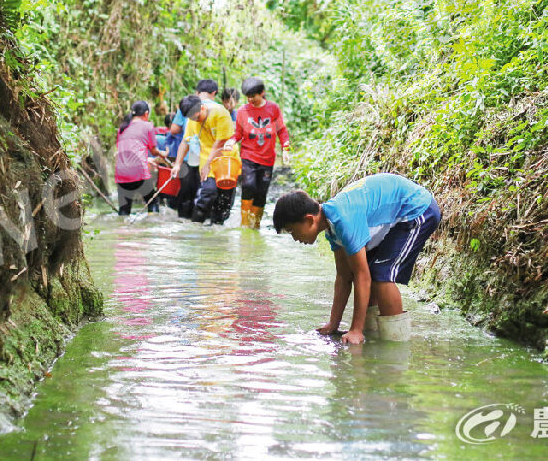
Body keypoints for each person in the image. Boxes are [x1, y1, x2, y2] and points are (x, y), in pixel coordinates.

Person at [271, 174, 441, 343]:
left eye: (292, 231)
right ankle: (374, 339)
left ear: (309, 220)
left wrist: (355, 329)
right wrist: (333, 324)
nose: (295, 238)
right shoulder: (332, 227)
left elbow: (362, 276)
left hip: (417, 209)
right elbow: (344, 277)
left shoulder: (344, 220)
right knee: (371, 270)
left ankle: (395, 346)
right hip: (394, 217)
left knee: (381, 276)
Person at [171, 93, 241, 225]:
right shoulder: (192, 119)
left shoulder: (220, 114)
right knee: (207, 194)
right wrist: (177, 164)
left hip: (227, 161)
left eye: (197, 117)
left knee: (224, 202)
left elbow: (220, 142)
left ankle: (217, 231)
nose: (195, 120)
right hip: (207, 162)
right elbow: (186, 142)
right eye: (192, 118)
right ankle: (196, 227)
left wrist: (208, 164)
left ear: (202, 108)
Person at [233, 77, 290, 229]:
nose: (250, 99)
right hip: (248, 156)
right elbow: (238, 133)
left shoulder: (273, 109)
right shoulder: (242, 111)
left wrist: (285, 148)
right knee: (248, 185)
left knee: (261, 192)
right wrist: (231, 141)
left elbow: (281, 130)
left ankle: (255, 224)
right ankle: (245, 224)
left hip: (267, 159)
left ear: (262, 93)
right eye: (248, 96)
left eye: (253, 96)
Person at [115, 101, 166, 216]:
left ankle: (121, 230)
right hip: (138, 172)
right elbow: (153, 150)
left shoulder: (122, 129)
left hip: (121, 173)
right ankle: (151, 226)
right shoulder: (147, 126)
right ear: (146, 114)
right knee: (152, 203)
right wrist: (163, 154)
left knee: (124, 210)